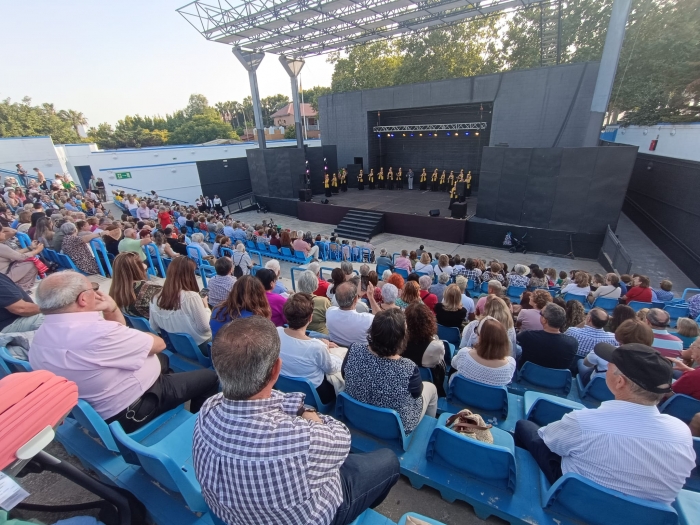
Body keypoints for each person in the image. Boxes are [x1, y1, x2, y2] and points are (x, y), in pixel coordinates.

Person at [193, 316, 400, 525]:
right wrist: (306, 412)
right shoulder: (301, 440)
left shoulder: (208, 409)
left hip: (232, 518)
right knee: (389, 460)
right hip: (315, 514)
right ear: (276, 369)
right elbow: (342, 438)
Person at [29, 271, 218, 433]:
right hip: (134, 409)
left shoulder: (39, 338)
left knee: (161, 360)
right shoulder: (97, 334)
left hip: (106, 403)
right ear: (83, 298)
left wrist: (111, 309)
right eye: (93, 289)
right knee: (210, 377)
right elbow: (159, 343)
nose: (97, 293)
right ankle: (198, 425)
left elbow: (118, 339)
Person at [514, 343, 695, 504]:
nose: (606, 366)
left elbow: (547, 439)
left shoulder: (583, 421)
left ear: (619, 381)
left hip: (577, 499)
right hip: (641, 517)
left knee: (525, 426)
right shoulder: (682, 433)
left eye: (609, 366)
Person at [343, 309, 438, 434]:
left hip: (354, 415)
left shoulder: (354, 349)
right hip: (392, 429)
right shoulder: (408, 368)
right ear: (402, 338)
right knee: (431, 388)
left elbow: (344, 375)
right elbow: (416, 394)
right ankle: (427, 432)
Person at [278, 293, 344, 404]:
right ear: (310, 318)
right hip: (313, 395)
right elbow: (331, 368)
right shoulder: (317, 347)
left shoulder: (276, 332)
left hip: (283, 388)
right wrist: (328, 350)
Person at [149, 257, 212, 354]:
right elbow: (205, 328)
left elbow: (154, 326)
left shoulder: (154, 296)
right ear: (188, 275)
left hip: (175, 346)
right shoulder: (191, 297)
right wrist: (206, 307)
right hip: (199, 347)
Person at [577, 319, 653, 386]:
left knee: (581, 362)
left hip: (595, 388)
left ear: (620, 338)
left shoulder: (602, 351)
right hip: (624, 396)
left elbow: (586, 364)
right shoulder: (651, 364)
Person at [452, 318, 517, 387]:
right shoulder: (510, 365)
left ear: (481, 337)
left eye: (478, 334)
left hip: (461, 394)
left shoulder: (464, 354)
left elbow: (453, 363)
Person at [517, 303, 578, 370]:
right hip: (557, 379)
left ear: (544, 320)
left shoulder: (527, 336)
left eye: (540, 313)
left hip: (527, 375)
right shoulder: (573, 343)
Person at [109, 252, 163, 319]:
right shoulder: (151, 288)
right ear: (136, 268)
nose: (145, 265)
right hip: (161, 327)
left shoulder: (115, 292)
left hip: (140, 328)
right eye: (141, 262)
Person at [326, 281, 379, 347]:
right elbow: (382, 319)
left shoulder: (330, 312)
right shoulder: (367, 320)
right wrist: (371, 297)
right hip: (358, 354)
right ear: (356, 299)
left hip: (337, 349)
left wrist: (357, 296)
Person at [297, 270, 332, 335]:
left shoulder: (292, 299)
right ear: (316, 284)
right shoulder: (324, 302)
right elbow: (331, 321)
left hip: (298, 334)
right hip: (321, 336)